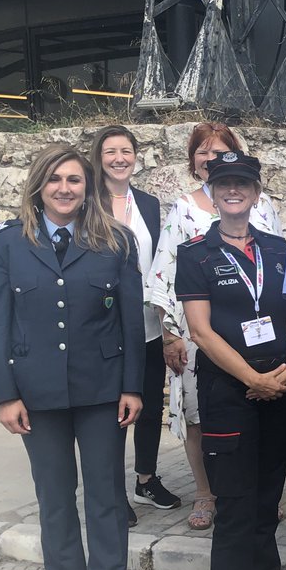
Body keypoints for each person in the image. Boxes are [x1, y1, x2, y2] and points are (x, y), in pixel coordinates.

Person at [0, 142, 144, 570]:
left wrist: (132, 386)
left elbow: (130, 319)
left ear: (88, 186)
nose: (65, 189)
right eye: (55, 179)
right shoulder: (8, 244)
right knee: (54, 501)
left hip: (101, 392)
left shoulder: (115, 242)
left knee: (105, 501)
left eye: (74, 180)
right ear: (39, 185)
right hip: (37, 394)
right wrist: (4, 395)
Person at [175, 152, 286, 570]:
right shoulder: (195, 254)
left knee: (268, 499)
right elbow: (202, 333)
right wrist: (254, 377)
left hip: (279, 389)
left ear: (255, 192)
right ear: (211, 190)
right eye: (223, 182)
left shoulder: (278, 249)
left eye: (242, 184)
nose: (233, 191)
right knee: (235, 502)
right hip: (230, 393)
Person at [147, 122, 283, 531]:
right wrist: (171, 333)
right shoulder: (182, 209)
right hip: (199, 330)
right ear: (194, 161)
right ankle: (206, 491)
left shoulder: (262, 206)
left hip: (259, 332)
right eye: (203, 152)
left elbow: (275, 269)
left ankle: (257, 491)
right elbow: (163, 272)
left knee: (258, 416)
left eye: (219, 151)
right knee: (199, 414)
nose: (210, 158)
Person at [90, 126, 181, 526]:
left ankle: (146, 479)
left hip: (145, 324)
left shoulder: (146, 202)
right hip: (103, 326)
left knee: (148, 404)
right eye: (110, 152)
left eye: (126, 151)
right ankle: (111, 491)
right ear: (99, 157)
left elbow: (159, 261)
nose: (119, 158)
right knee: (111, 409)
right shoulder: (87, 201)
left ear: (135, 156)